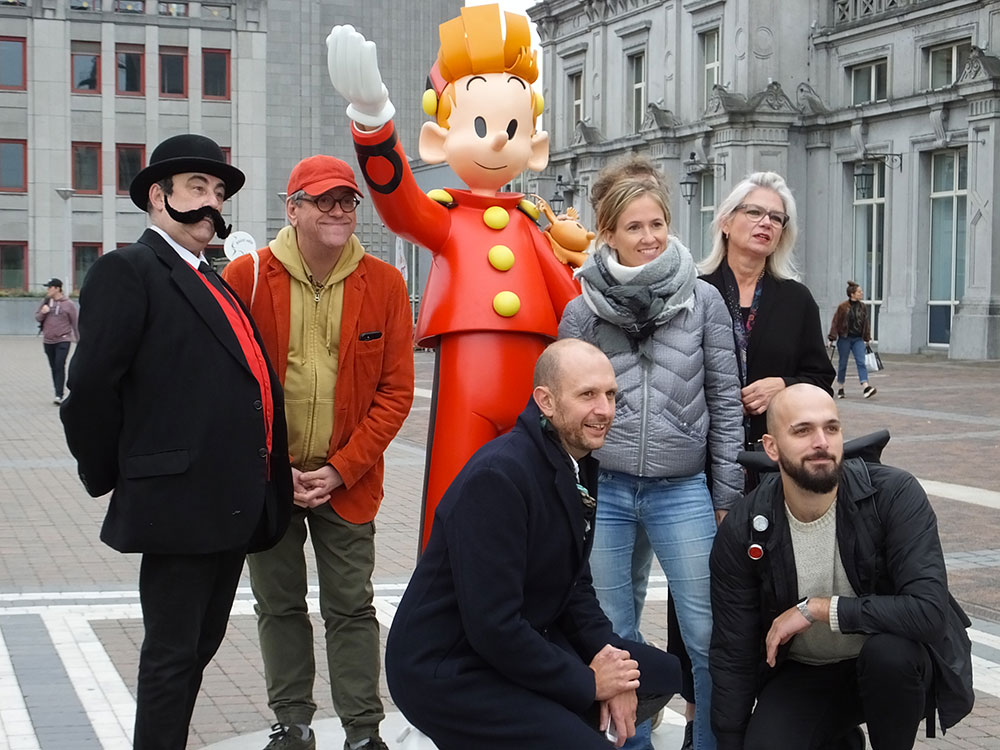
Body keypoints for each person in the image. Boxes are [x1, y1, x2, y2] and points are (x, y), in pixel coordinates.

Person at [60, 133, 293, 750]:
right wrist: (119, 473)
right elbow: (89, 388)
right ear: (157, 197)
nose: (211, 203)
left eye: (218, 192)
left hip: (230, 505)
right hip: (177, 504)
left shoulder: (210, 278)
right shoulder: (129, 270)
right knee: (170, 658)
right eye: (196, 188)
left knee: (197, 650)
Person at [326, 4, 579, 551]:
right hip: (466, 372)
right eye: (480, 126)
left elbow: (574, 306)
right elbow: (398, 201)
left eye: (511, 129)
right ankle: (443, 586)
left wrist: (590, 266)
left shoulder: (534, 226)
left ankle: (524, 586)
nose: (496, 141)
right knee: (454, 483)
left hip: (534, 377)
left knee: (531, 492)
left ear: (534, 146)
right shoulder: (446, 218)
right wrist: (372, 120)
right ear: (437, 140)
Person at [385, 339, 681, 750]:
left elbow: (576, 589)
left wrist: (612, 666)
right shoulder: (499, 476)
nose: (605, 410)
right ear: (546, 401)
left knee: (663, 673)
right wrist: (589, 683)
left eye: (611, 394)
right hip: (449, 666)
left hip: (521, 640)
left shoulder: (570, 460)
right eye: (587, 395)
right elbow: (493, 627)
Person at [222, 155, 414, 750]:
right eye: (323, 200)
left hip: (348, 482)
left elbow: (395, 393)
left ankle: (363, 731)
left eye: (347, 201)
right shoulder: (248, 277)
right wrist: (276, 469)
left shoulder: (384, 283)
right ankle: (293, 723)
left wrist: (338, 469)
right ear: (293, 208)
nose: (338, 210)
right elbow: (227, 385)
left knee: (352, 606)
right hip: (268, 481)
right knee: (278, 604)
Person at [559, 163, 743, 750]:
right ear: (608, 233)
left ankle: (709, 743)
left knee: (707, 633)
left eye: (657, 223)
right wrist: (568, 493)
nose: (649, 237)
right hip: (606, 491)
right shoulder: (582, 310)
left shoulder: (703, 300)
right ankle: (631, 744)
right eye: (634, 226)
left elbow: (726, 402)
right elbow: (562, 413)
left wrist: (726, 495)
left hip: (682, 489)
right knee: (614, 638)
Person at [709, 383, 974, 750]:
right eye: (803, 430)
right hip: (807, 670)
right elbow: (733, 650)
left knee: (889, 656)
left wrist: (818, 609)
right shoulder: (745, 526)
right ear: (771, 447)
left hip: (892, 668)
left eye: (831, 428)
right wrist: (729, 741)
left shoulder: (893, 494)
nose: (821, 442)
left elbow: (929, 612)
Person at [699, 172, 835, 447]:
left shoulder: (797, 299)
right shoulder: (697, 292)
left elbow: (821, 380)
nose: (765, 223)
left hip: (773, 450)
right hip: (702, 449)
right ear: (726, 222)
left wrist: (784, 385)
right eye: (754, 212)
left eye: (776, 218)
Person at [828, 281, 876, 399]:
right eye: (859, 292)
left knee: (861, 362)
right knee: (843, 363)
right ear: (852, 294)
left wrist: (867, 337)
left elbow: (866, 323)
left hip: (858, 339)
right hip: (845, 338)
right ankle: (841, 387)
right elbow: (835, 322)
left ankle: (866, 387)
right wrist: (832, 338)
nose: (861, 293)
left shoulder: (863, 306)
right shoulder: (843, 307)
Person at [35, 277, 78, 405]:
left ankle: (59, 395)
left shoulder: (68, 304)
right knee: (54, 367)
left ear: (57, 288)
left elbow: (75, 323)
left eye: (50, 287)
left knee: (59, 365)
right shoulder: (46, 302)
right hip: (48, 341)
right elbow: (37, 317)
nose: (48, 290)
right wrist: (43, 312)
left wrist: (80, 340)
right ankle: (57, 391)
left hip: (63, 339)